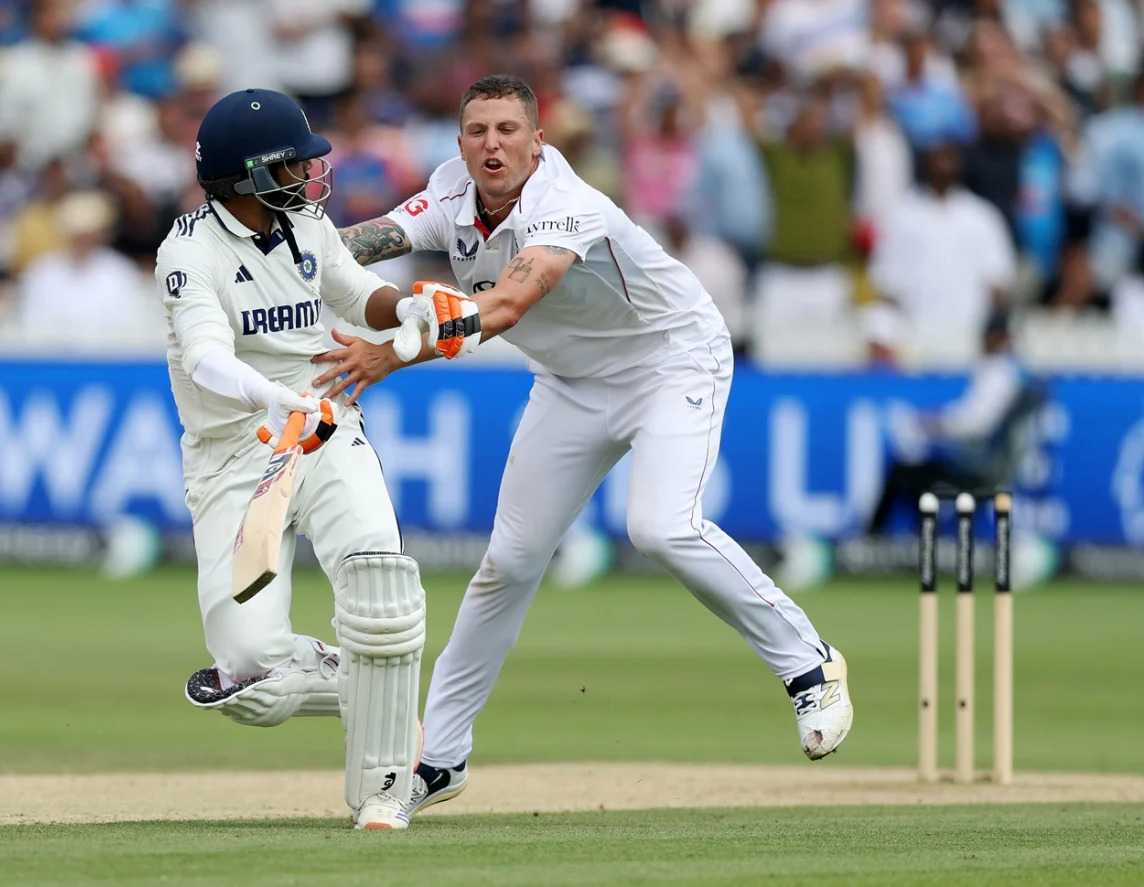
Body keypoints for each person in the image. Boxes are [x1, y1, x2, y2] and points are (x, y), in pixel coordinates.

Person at [316, 74, 855, 817]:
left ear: (539, 142)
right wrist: (283, 253)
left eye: (509, 130)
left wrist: (389, 353)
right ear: (461, 143)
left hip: (670, 361)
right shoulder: (449, 193)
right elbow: (364, 244)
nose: (492, 144)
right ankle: (438, 756)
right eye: (478, 131)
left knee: (660, 526)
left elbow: (503, 306)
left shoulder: (566, 206)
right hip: (571, 381)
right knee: (507, 561)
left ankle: (811, 666)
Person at [156, 88, 427, 830]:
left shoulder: (306, 224)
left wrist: (407, 310)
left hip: (326, 427)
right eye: (293, 165)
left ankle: (385, 792)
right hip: (236, 457)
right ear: (248, 177)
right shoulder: (187, 251)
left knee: (378, 577)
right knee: (251, 678)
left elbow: (359, 291)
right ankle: (366, 683)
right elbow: (206, 356)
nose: (310, 177)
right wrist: (265, 398)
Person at [867, 313, 1045, 534]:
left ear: (995, 338)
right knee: (915, 475)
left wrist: (933, 424)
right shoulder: (1018, 371)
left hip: (981, 467)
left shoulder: (999, 371)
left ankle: (871, 541)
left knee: (902, 473)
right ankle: (920, 539)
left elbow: (976, 424)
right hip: (994, 463)